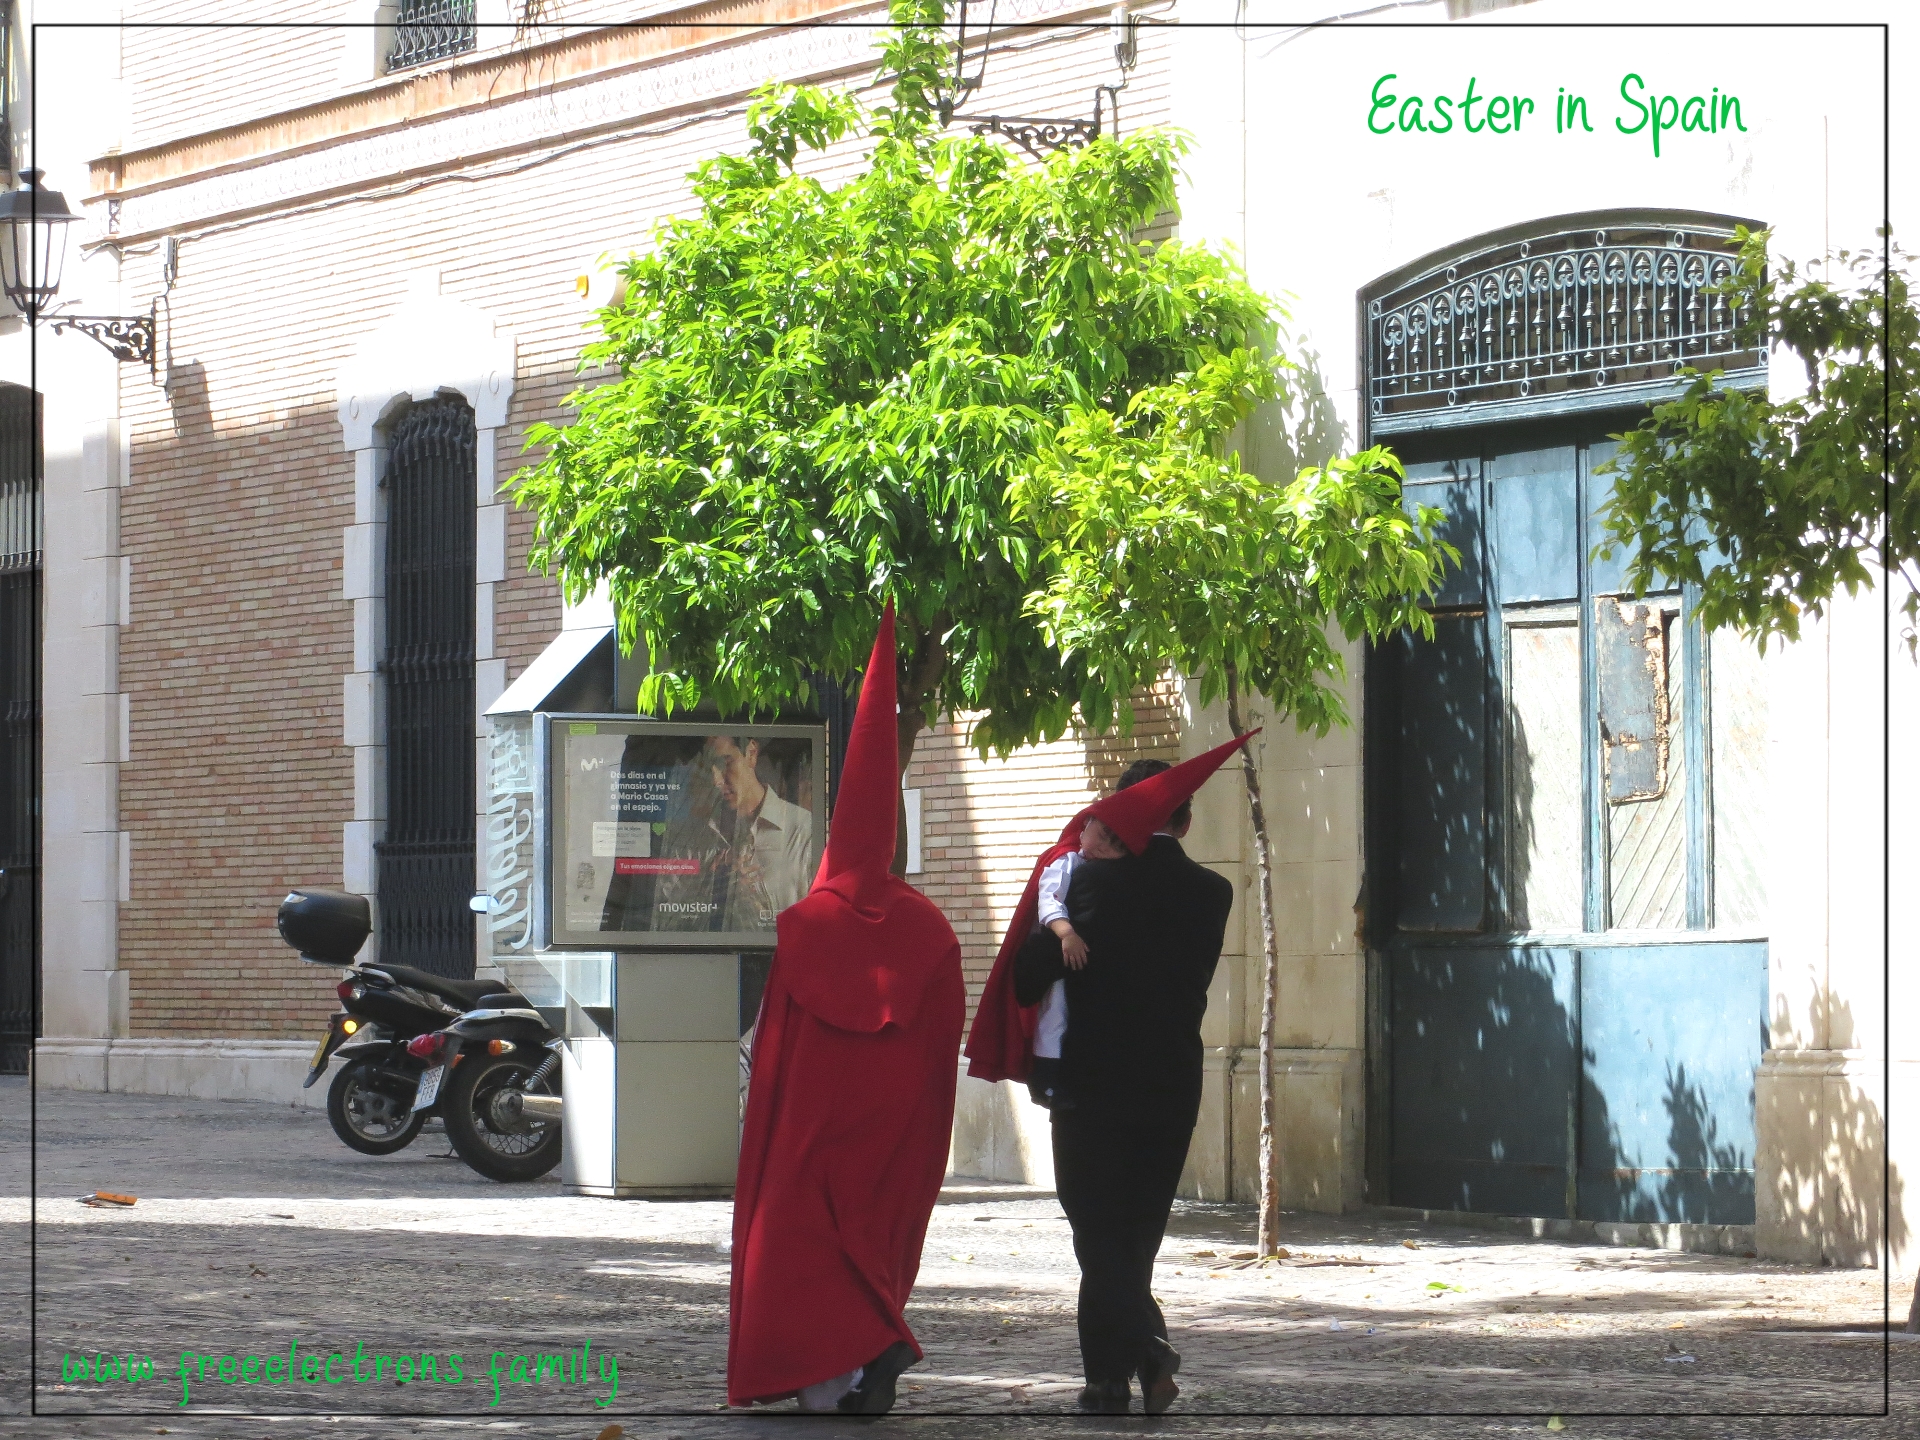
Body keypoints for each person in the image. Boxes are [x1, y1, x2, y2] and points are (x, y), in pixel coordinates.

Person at [726, 601, 966, 1416]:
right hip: (892, 1123)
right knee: (871, 1233)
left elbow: (781, 1042)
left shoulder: (809, 922)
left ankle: (847, 1363)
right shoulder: (929, 927)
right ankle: (872, 1345)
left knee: (800, 1242)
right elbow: (941, 1042)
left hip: (811, 1125)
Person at [1026, 737, 1253, 1416]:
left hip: (1088, 1087)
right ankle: (1135, 1362)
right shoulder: (1214, 892)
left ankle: (1113, 1377)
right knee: (1137, 1235)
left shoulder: (1080, 882)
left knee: (1097, 1233)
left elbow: (1023, 980)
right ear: (1185, 822)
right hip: (1170, 1084)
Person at [1025, 815, 1128, 1109]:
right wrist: (1066, 933)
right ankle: (1047, 1077)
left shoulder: (1100, 869)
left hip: (1084, 956)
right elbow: (1050, 900)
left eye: (1112, 843)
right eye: (1100, 835)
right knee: (1055, 1011)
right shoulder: (1066, 861)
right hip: (1059, 952)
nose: (1102, 846)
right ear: (1084, 830)